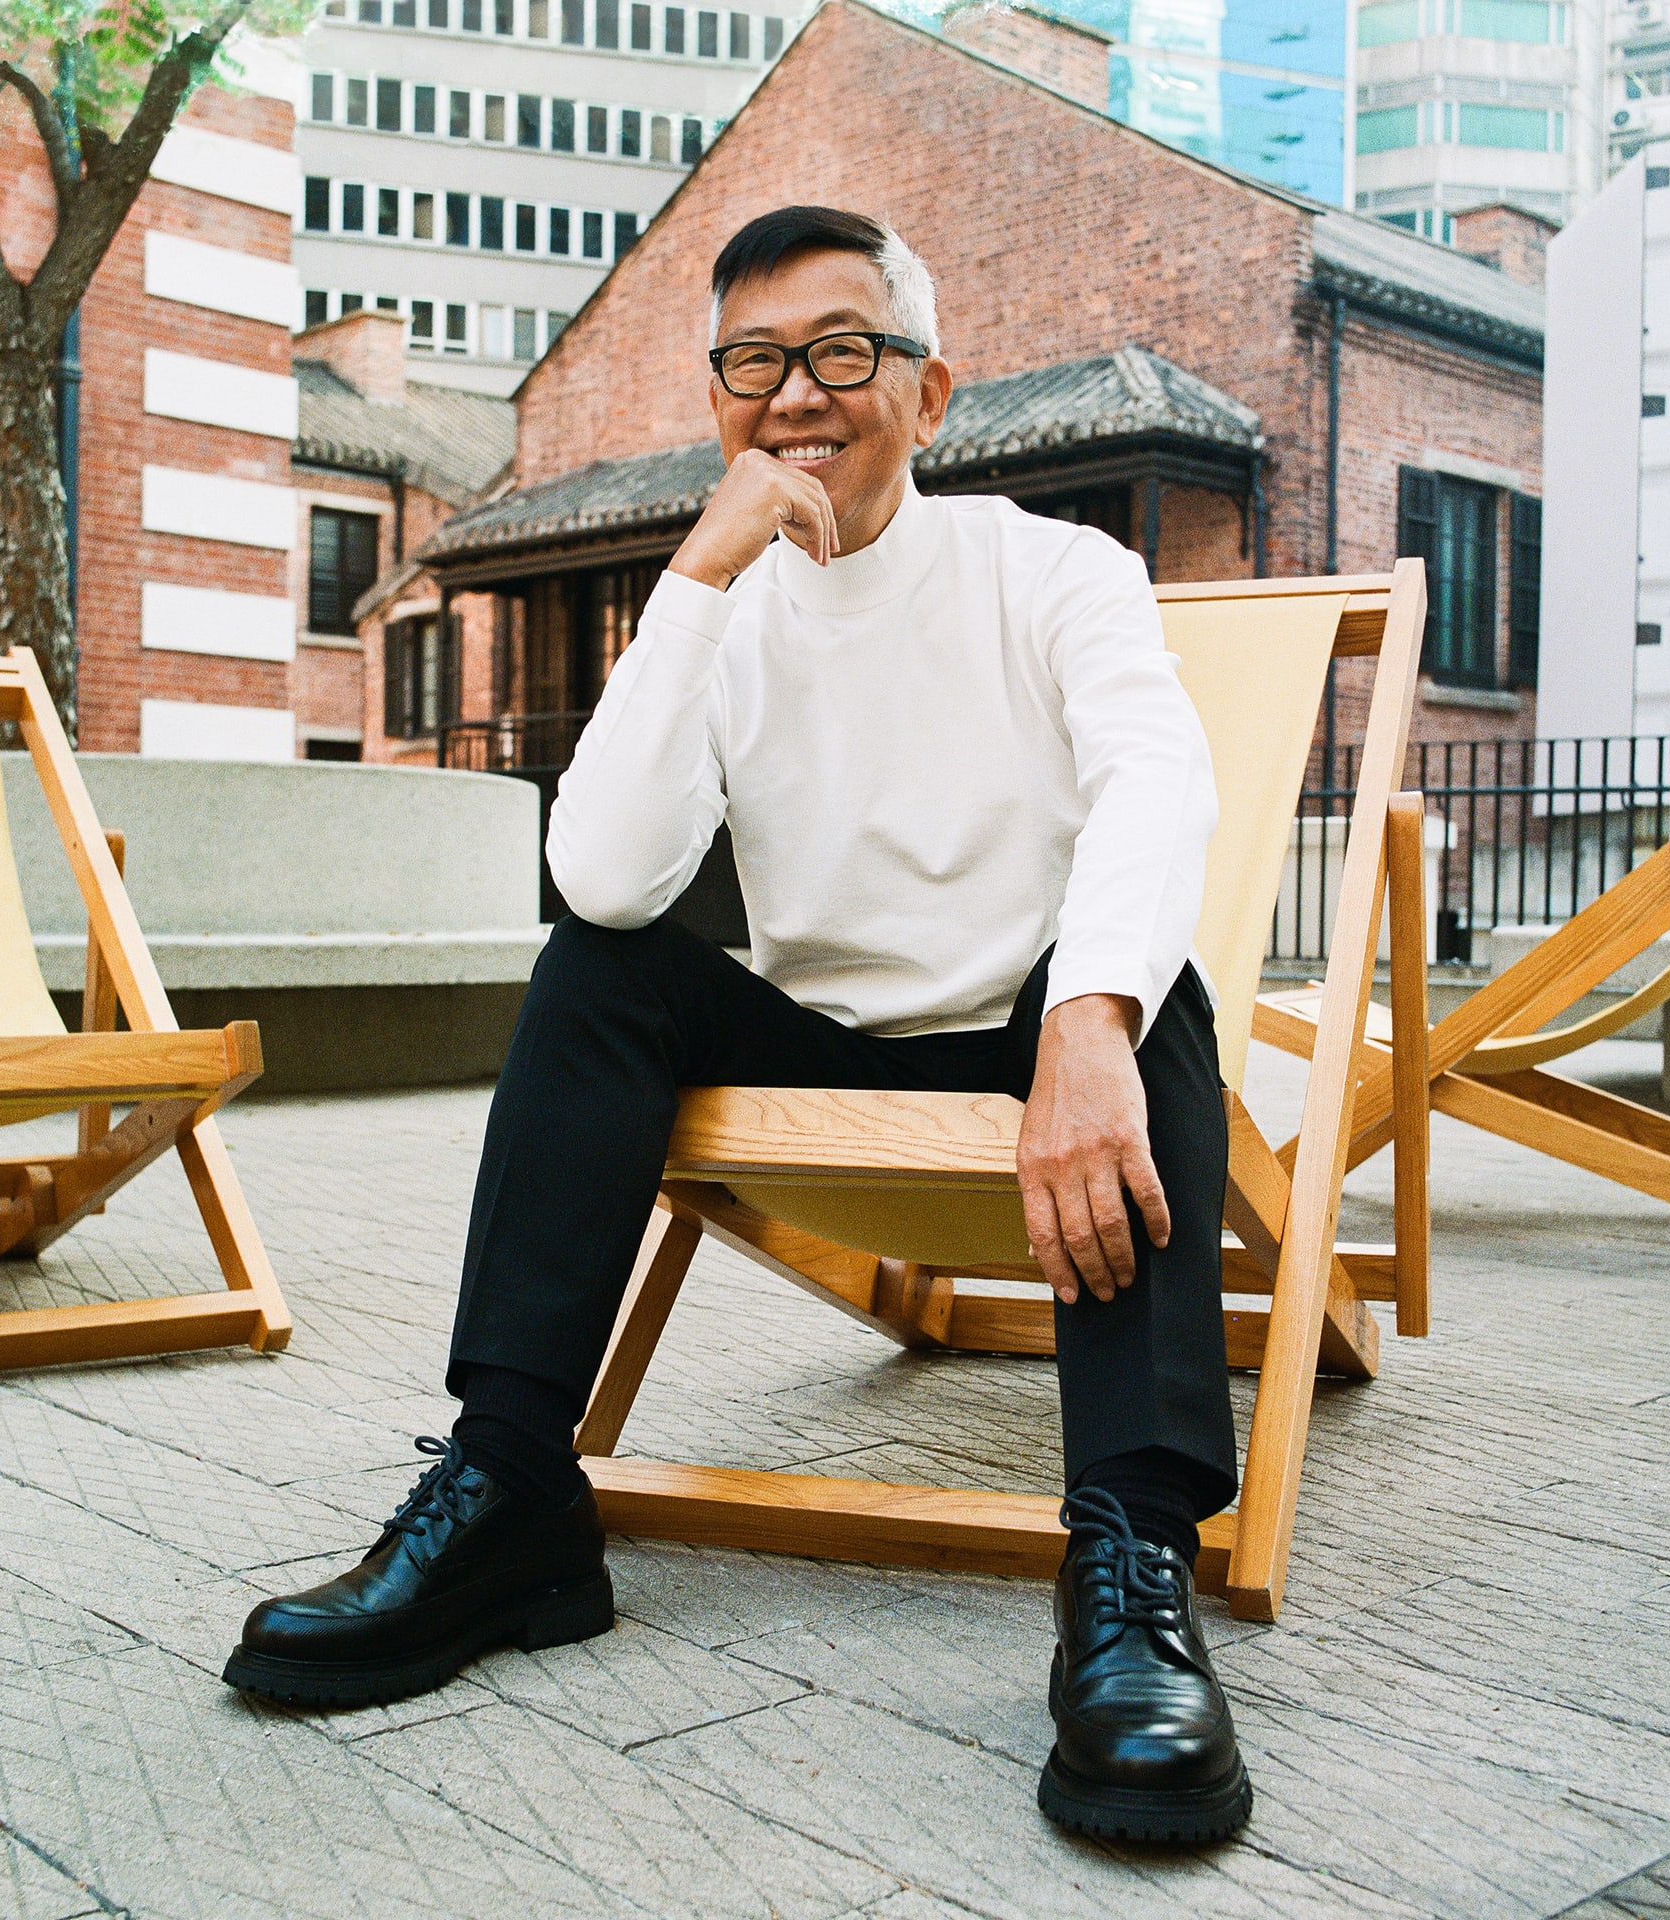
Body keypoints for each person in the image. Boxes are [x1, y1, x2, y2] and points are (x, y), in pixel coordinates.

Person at [225, 206, 1251, 1844]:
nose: (798, 397)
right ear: (719, 404)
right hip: (826, 1035)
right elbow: (605, 874)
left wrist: (1089, 1020)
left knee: (1156, 1003)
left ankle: (1128, 1560)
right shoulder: (722, 613)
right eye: (754, 364)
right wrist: (696, 577)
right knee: (596, 969)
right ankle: (509, 1497)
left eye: (844, 352)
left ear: (928, 393)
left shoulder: (1055, 568)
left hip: (1025, 1036)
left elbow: (1155, 781)